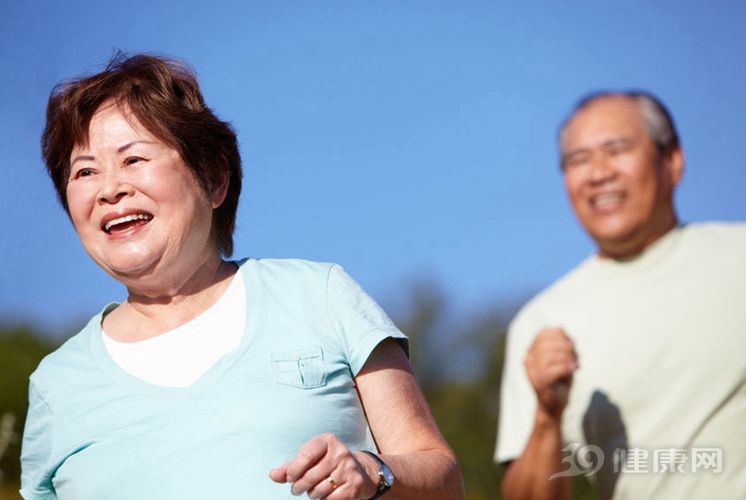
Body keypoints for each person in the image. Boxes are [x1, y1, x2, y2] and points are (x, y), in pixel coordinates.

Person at [20, 53, 463, 500]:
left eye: (133, 159)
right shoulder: (56, 385)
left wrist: (373, 473)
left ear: (213, 179)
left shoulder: (319, 296)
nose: (109, 189)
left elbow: (442, 478)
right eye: (84, 171)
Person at [495, 91, 746, 499]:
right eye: (578, 160)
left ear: (672, 162)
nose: (598, 173)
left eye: (616, 150)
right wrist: (547, 415)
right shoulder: (541, 322)